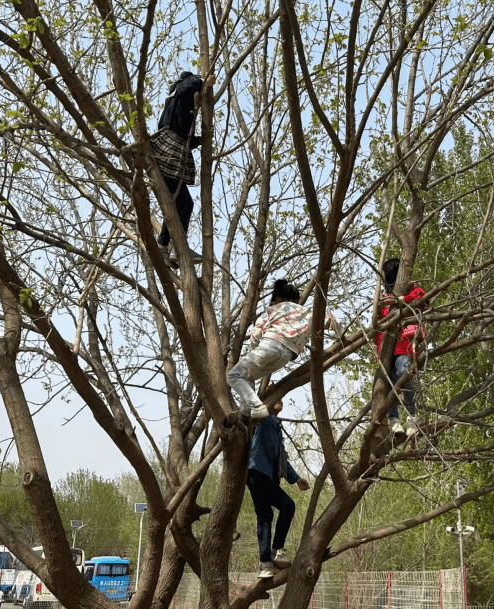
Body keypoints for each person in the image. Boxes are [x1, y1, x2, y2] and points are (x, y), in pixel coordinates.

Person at [227, 280, 340, 419]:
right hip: (287, 355)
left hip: (270, 345)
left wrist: (255, 351)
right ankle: (246, 412)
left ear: (278, 298)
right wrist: (339, 338)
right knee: (249, 375)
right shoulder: (305, 313)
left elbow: (255, 335)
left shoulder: (271, 311)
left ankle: (256, 406)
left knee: (234, 375)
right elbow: (332, 319)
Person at [150, 72, 209, 266]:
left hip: (171, 149)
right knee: (184, 204)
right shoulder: (184, 91)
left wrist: (200, 140)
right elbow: (186, 87)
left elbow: (183, 133)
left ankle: (165, 245)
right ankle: (174, 247)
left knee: (181, 203)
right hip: (170, 152)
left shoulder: (179, 105)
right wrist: (202, 80)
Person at [247, 399, 310, 578]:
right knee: (283, 508)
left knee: (268, 515)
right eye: (276, 397)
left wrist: (296, 479)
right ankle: (275, 553)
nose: (279, 400)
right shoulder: (264, 419)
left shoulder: (276, 427)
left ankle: (267, 562)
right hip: (258, 474)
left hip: (262, 477)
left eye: (281, 398)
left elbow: (281, 457)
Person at [375, 258, 426, 436]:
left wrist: (402, 299)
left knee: (405, 374)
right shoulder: (383, 298)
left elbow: (421, 297)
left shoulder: (411, 289)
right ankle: (393, 418)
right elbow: (377, 326)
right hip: (386, 349)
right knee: (388, 383)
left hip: (404, 344)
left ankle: (412, 417)